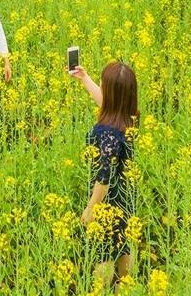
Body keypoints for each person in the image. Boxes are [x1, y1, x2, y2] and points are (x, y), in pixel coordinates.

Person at [69, 61, 139, 286]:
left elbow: (104, 177)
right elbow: (110, 105)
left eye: (102, 83)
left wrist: (91, 209)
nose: (100, 84)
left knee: (104, 254)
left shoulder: (107, 132)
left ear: (111, 92)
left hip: (107, 202)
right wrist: (85, 79)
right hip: (127, 196)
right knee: (125, 244)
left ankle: (101, 289)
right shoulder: (131, 116)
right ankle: (125, 288)